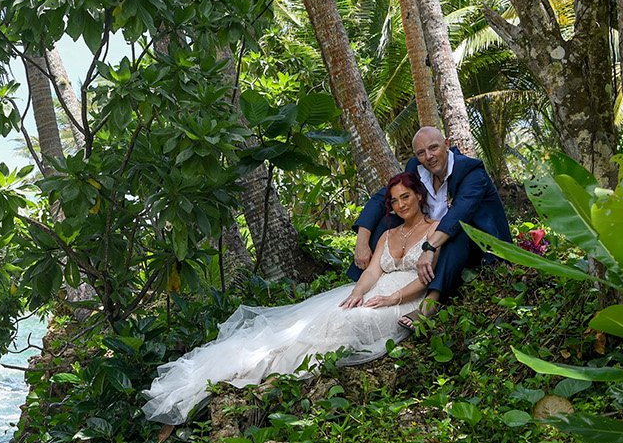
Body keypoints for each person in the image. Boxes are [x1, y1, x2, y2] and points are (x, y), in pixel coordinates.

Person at [144, 170, 439, 427]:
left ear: (419, 195)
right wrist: (358, 293)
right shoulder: (388, 234)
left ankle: (286, 377)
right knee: (324, 318)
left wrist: (392, 298)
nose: (401, 205)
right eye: (395, 200)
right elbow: (373, 271)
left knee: (348, 324)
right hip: (375, 291)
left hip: (404, 298)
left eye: (406, 197)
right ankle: (272, 370)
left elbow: (428, 277)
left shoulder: (436, 229)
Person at [351, 126, 511, 322]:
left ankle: (430, 303)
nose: (428, 156)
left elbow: (459, 214)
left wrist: (429, 248)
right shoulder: (416, 168)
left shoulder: (471, 171)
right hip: (430, 235)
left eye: (433, 148)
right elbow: (381, 198)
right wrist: (362, 240)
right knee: (388, 220)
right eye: (421, 153)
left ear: (447, 144)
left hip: (475, 244)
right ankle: (369, 278)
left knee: (459, 231)